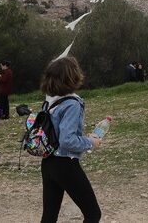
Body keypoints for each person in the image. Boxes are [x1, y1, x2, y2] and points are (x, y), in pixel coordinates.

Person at [40, 56, 102, 223]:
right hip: (65, 164)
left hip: (48, 162)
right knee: (93, 214)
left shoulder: (49, 102)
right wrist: (90, 142)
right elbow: (67, 140)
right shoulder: (72, 103)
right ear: (72, 76)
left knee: (49, 216)